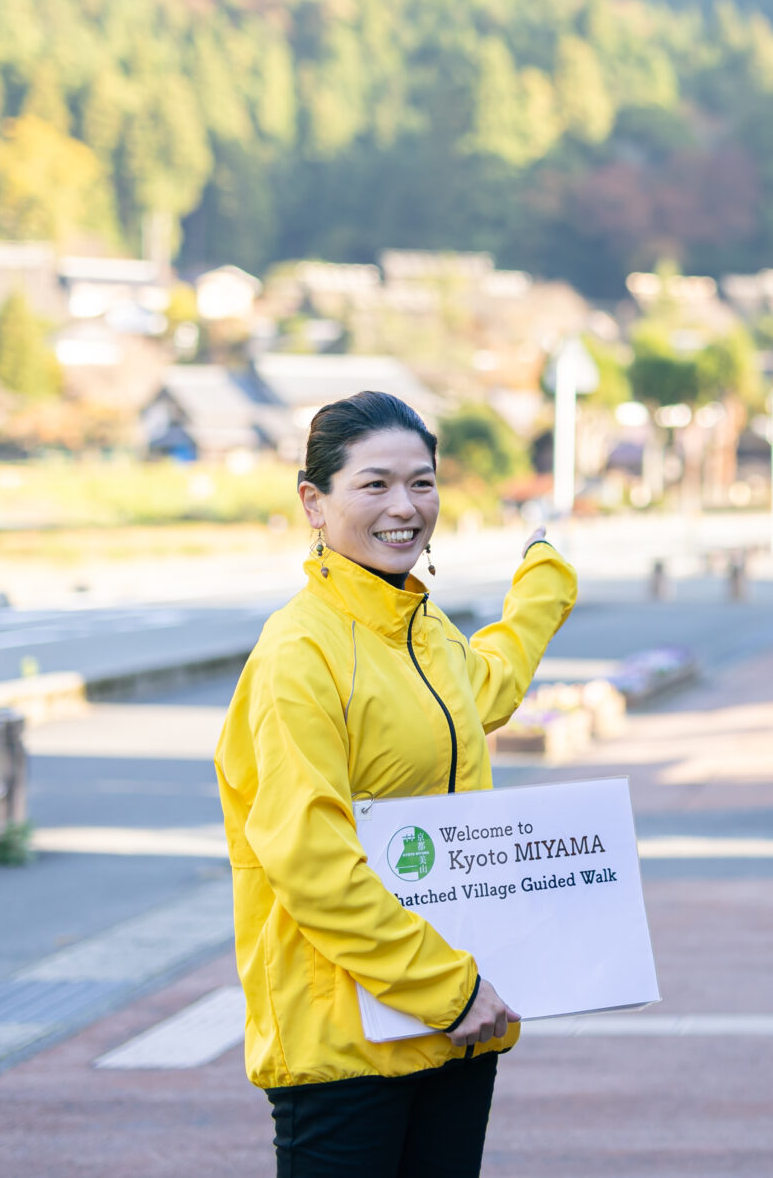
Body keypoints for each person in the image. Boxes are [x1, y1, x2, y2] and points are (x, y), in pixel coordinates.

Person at [215, 390, 580, 1178]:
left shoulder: (421, 629)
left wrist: (544, 580)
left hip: (452, 1029)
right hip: (347, 1045)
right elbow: (312, 862)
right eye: (374, 484)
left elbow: (486, 686)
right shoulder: (299, 654)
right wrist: (449, 987)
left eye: (422, 482)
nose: (405, 506)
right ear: (314, 500)